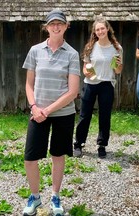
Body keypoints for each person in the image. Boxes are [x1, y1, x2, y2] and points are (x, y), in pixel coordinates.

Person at [22, 9, 80, 216]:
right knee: (30, 158)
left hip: (63, 114)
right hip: (37, 112)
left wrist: (46, 110)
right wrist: (34, 107)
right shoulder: (35, 50)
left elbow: (73, 91)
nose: (56, 27)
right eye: (52, 24)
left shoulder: (72, 54)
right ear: (46, 27)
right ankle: (35, 197)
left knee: (58, 155)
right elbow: (29, 84)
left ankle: (55, 196)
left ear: (66, 27)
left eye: (60, 24)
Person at [73, 17, 123, 158]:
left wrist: (118, 65)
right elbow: (85, 68)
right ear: (94, 32)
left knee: (105, 116)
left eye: (102, 28)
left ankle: (102, 145)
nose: (100, 31)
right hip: (90, 83)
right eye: (97, 29)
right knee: (84, 115)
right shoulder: (90, 47)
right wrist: (86, 72)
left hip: (107, 84)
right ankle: (78, 143)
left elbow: (118, 71)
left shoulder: (117, 48)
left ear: (107, 29)